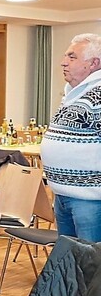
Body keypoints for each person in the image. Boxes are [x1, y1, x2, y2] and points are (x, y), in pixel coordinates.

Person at [41, 33, 101, 242]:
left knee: (91, 265)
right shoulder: (74, 94)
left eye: (72, 57)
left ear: (93, 63)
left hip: (90, 200)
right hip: (64, 194)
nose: (63, 62)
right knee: (71, 262)